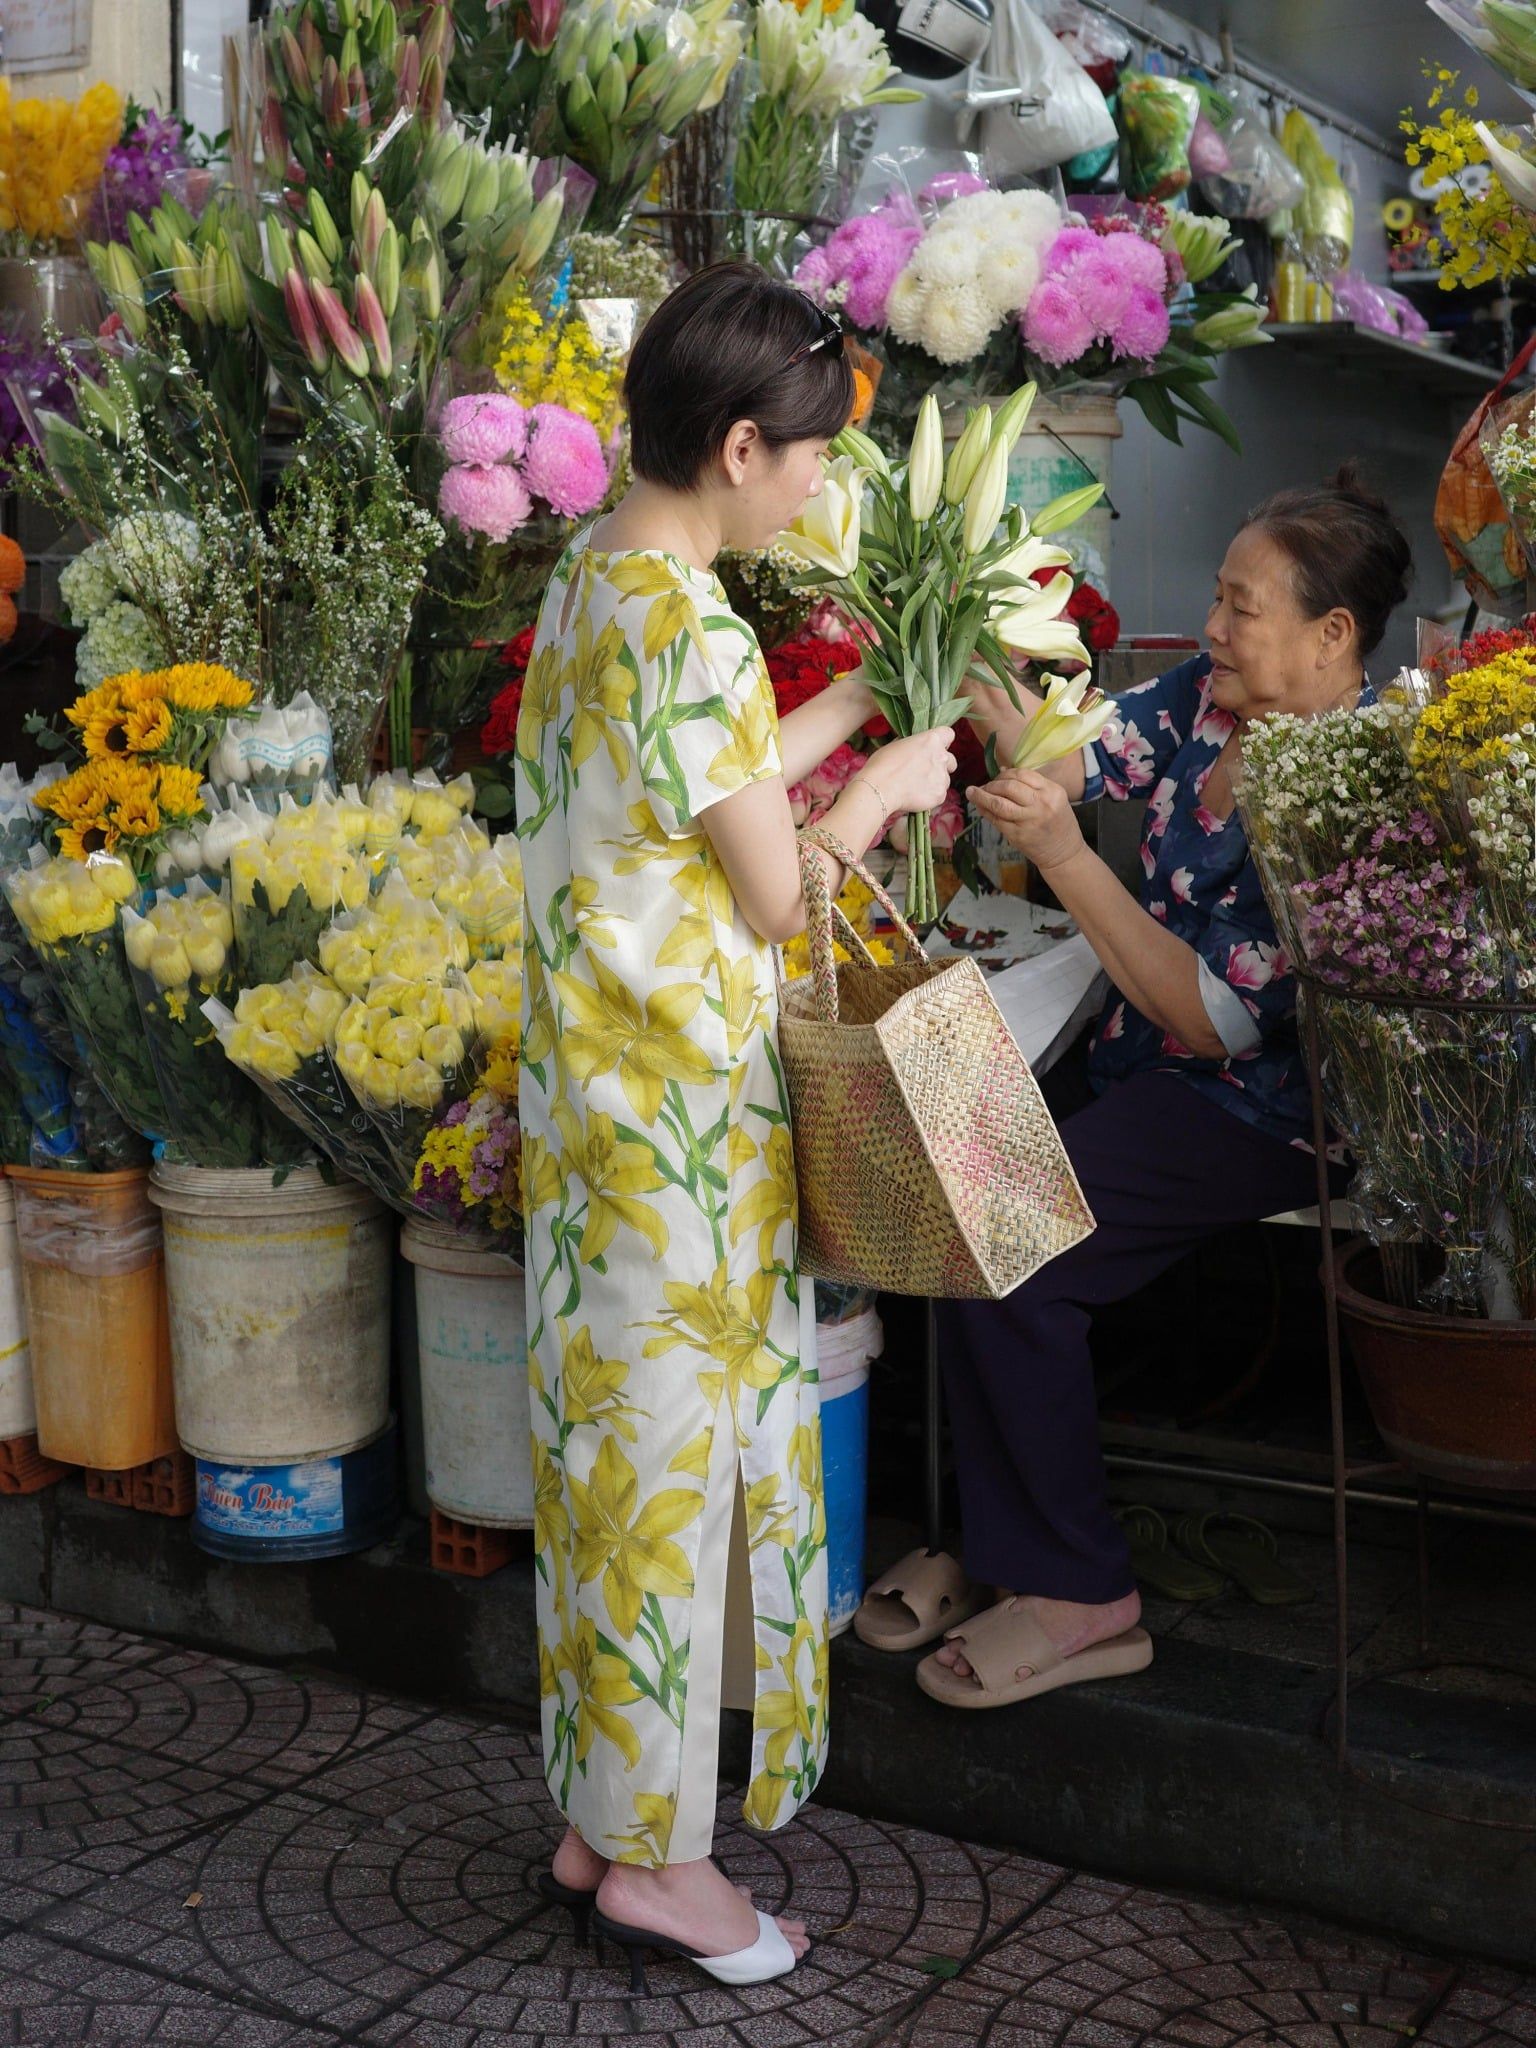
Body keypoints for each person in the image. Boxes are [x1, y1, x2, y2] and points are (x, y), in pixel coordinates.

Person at [515, 264, 956, 1987]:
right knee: (677, 1484)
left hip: (594, 1117)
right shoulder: (686, 616)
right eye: (812, 460)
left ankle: (600, 1810)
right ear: (741, 441)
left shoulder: (595, 576)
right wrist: (886, 792)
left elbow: (682, 777)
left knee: (611, 1469)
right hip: (681, 1127)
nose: (821, 489)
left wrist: (849, 712)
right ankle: (661, 1862)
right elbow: (774, 891)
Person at [903, 466, 1413, 1710]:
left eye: (1242, 606)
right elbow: (1072, 757)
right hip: (1147, 1057)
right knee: (951, 1176)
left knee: (1016, 1243)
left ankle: (1083, 1591)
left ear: (1331, 634)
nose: (1215, 625)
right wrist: (949, 629)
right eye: (1222, 600)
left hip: (1271, 1108)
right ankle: (995, 1542)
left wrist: (1068, 858)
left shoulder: (1355, 779)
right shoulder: (1211, 701)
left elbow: (1218, 1017)